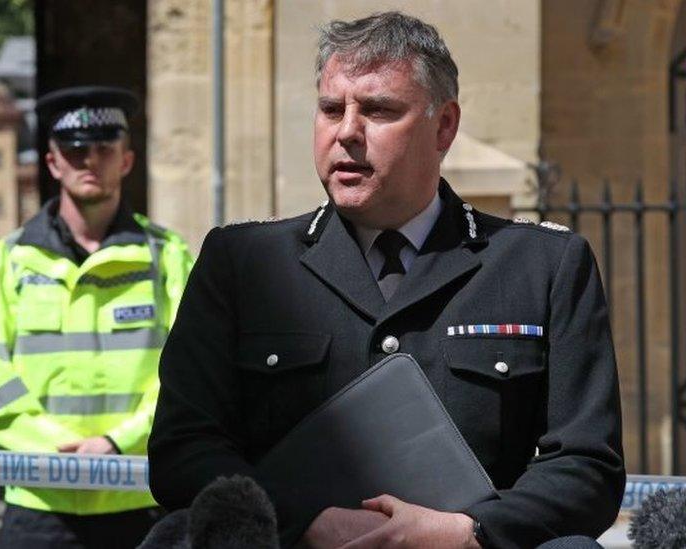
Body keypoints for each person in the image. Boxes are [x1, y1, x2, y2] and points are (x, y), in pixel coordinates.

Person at [148, 12, 624, 549]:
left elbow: (586, 468)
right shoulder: (241, 262)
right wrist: (303, 520)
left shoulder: (542, 266)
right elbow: (183, 451)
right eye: (331, 109)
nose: (347, 131)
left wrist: (468, 533)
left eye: (378, 110)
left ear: (443, 126)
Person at [0, 86, 194, 549]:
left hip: (140, 498)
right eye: (74, 150)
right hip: (40, 505)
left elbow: (192, 377)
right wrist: (57, 452)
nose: (90, 160)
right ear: (53, 163)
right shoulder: (9, 262)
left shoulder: (168, 257)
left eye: (104, 149)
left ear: (126, 160)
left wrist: (117, 442)